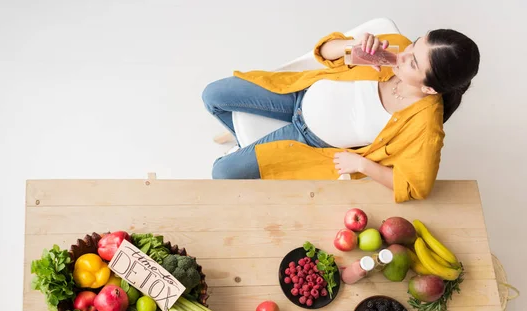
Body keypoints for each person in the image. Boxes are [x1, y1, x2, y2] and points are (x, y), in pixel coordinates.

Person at [201, 29, 480, 202]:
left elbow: (415, 187)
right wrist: (351, 47)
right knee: (212, 96)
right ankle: (242, 139)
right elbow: (322, 52)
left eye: (413, 61)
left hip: (309, 142)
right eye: (415, 44)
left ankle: (246, 144)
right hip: (299, 92)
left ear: (429, 88)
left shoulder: (424, 127)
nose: (404, 53)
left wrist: (361, 164)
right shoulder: (394, 50)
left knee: (222, 172)